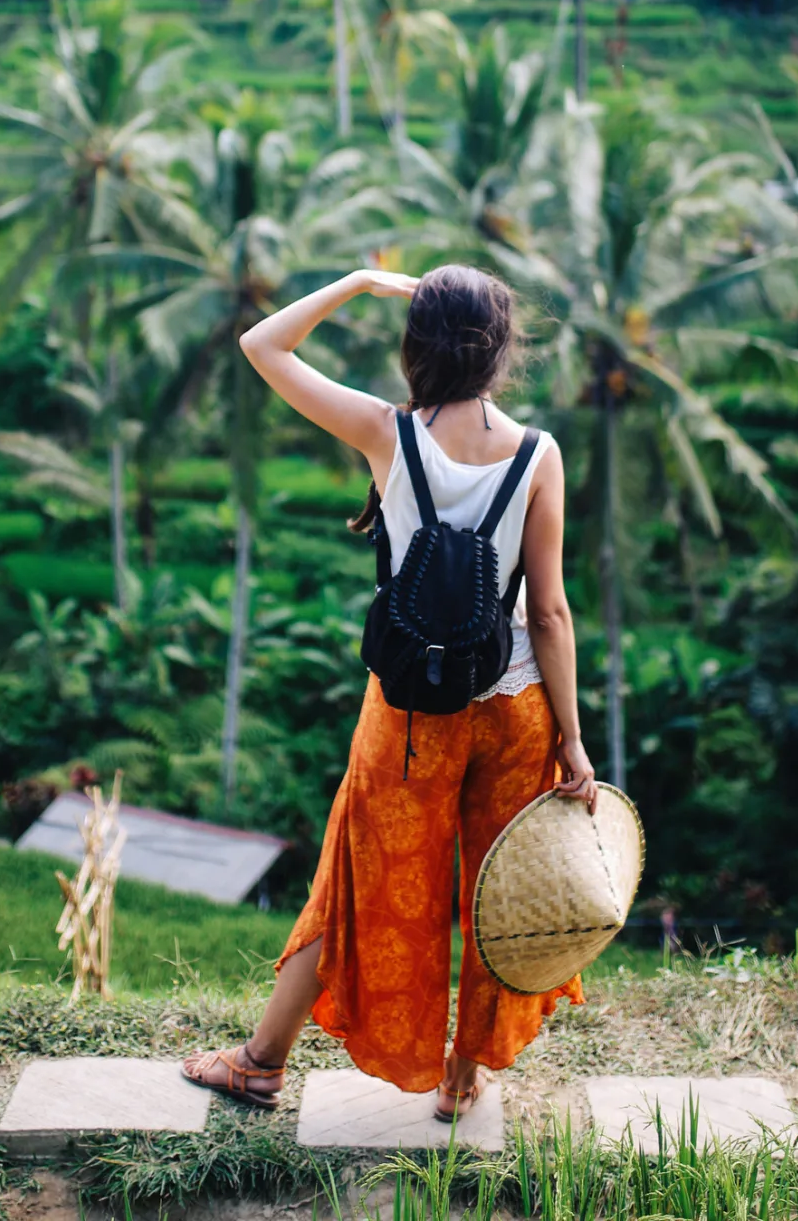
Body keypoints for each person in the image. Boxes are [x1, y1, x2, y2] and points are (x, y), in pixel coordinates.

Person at [182, 265, 596, 1119]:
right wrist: (574, 739)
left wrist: (360, 282)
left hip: (411, 713)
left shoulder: (386, 432)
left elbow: (262, 344)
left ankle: (261, 1063)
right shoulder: (537, 454)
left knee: (356, 879)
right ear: (502, 348)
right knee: (499, 891)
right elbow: (549, 611)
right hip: (515, 705)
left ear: (418, 345)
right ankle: (462, 1076)